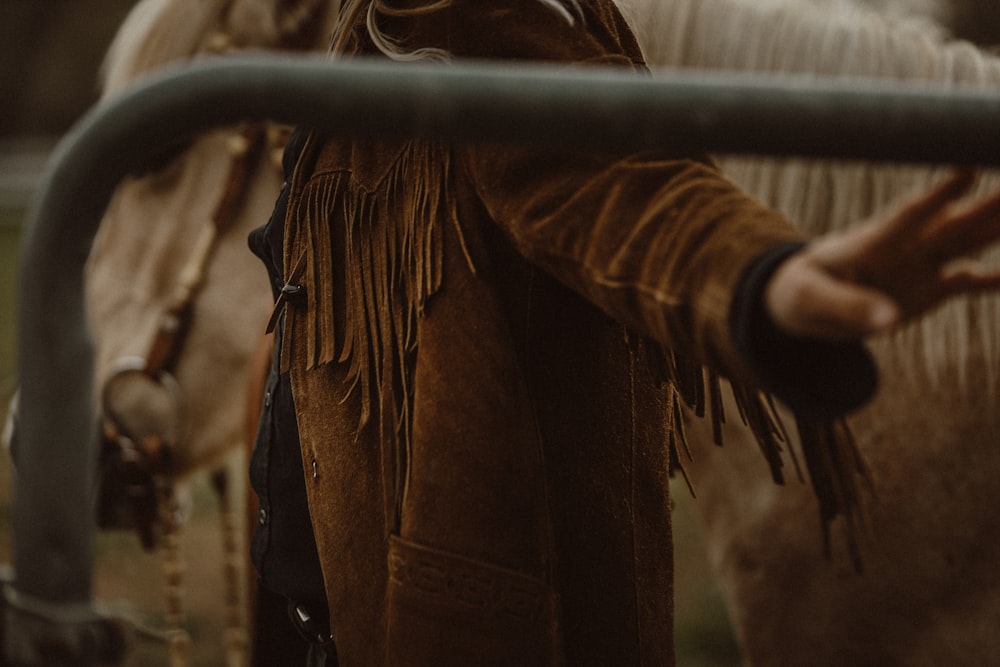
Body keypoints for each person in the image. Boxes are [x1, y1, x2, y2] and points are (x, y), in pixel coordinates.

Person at [247, 1, 1000, 665]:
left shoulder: (469, 16)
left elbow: (611, 178)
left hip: (458, 625)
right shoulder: (366, 29)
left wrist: (759, 279)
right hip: (329, 614)